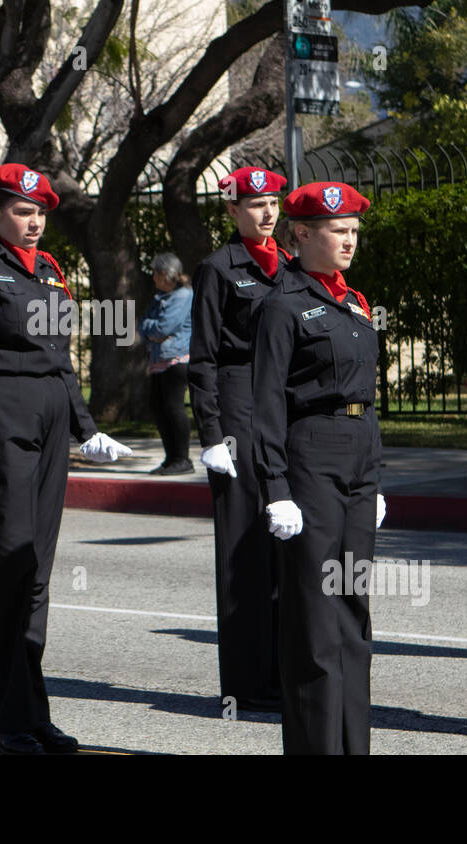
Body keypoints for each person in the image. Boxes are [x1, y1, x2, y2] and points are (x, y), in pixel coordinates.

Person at [0, 163, 132, 754]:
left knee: (36, 570)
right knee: (5, 564)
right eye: (22, 212)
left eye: (40, 212)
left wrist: (85, 426)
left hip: (50, 418)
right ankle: (7, 719)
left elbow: (60, 355)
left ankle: (33, 711)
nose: (34, 222)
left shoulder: (48, 272)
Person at [252, 180, 386, 755]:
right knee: (313, 614)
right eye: (338, 230)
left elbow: (368, 396)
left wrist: (375, 479)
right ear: (302, 233)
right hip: (311, 458)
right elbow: (265, 405)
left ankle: (353, 745)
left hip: (357, 459)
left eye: (355, 230)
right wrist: (276, 487)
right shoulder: (283, 306)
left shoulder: (353, 303)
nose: (349, 240)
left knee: (353, 609)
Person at [188, 166, 289, 712]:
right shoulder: (219, 269)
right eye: (254, 205)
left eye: (272, 202)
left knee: (282, 547)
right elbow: (202, 358)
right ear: (231, 211)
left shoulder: (293, 267)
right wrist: (211, 433)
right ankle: (248, 682)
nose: (267, 212)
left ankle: (282, 668)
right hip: (238, 407)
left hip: (281, 412)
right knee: (244, 550)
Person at [137, 252, 193, 475]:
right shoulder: (160, 297)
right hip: (159, 359)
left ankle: (182, 459)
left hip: (176, 359)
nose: (153, 278)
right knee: (158, 407)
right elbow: (144, 325)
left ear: (165, 274)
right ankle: (171, 458)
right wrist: (152, 329)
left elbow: (164, 328)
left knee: (173, 407)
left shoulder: (182, 296)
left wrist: (152, 329)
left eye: (156, 274)